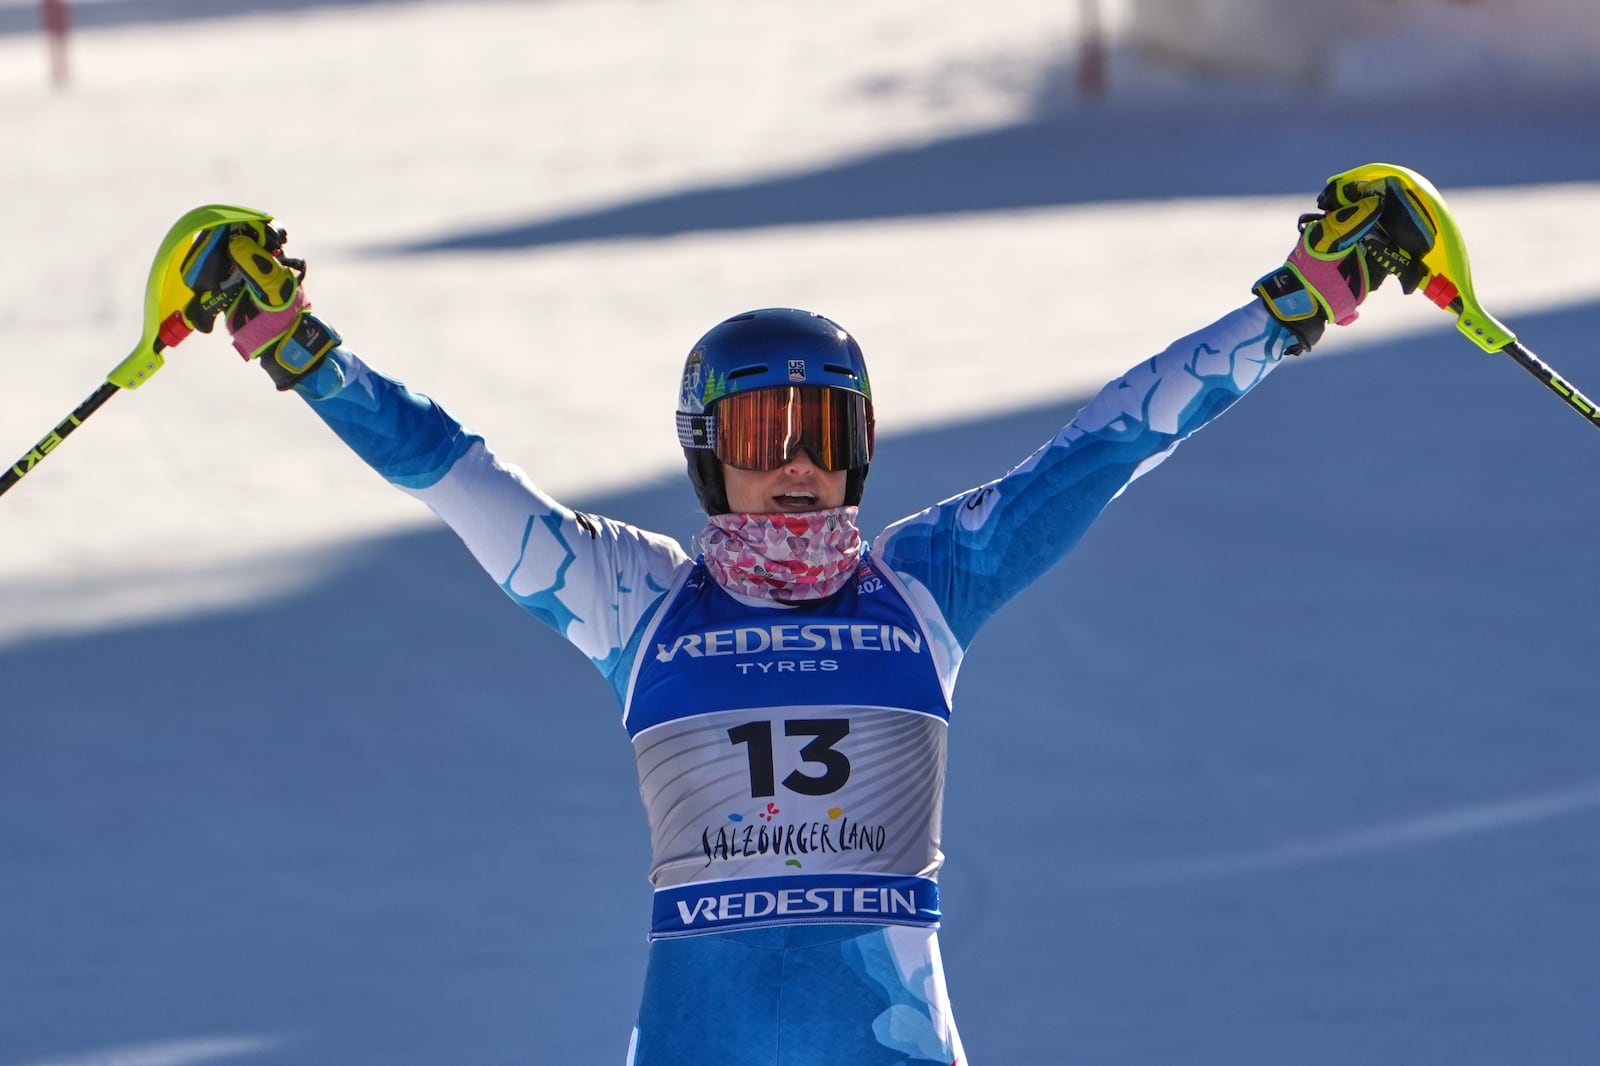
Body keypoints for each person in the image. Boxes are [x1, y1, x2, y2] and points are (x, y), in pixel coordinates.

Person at [182, 173, 1432, 1064]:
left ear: (862, 449)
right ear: (702, 451)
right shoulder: (634, 598)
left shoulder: (927, 584)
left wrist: (1296, 303)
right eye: (759, 430)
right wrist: (293, 341)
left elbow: (1106, 444)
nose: (795, 463)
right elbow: (446, 467)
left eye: (822, 431)